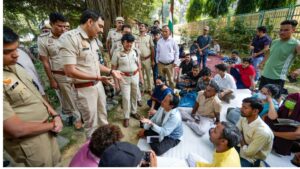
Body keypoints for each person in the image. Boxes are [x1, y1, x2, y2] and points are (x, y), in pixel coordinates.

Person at [3, 26, 62, 167]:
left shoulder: (15, 67)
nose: (16, 55)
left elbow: (36, 95)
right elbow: (16, 129)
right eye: (7, 52)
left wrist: (55, 115)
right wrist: (52, 124)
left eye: (16, 49)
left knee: (56, 163)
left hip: (47, 131)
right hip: (29, 143)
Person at [59, 10, 123, 137]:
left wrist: (110, 71)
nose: (101, 30)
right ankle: (93, 155)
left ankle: (107, 146)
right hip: (84, 90)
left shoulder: (93, 40)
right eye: (99, 26)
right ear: (89, 22)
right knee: (92, 126)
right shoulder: (69, 39)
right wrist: (98, 77)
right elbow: (70, 71)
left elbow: (94, 64)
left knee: (103, 119)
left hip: (98, 85)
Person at [38, 12, 82, 129]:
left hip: (76, 71)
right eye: (59, 26)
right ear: (51, 24)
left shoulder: (69, 36)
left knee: (80, 94)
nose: (63, 29)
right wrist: (52, 80)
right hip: (60, 75)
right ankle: (78, 118)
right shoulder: (43, 40)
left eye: (64, 26)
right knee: (69, 98)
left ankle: (84, 114)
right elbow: (45, 62)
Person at [259, 20, 300, 94]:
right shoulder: (275, 41)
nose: (282, 32)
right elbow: (269, 54)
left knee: (274, 100)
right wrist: (262, 63)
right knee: (261, 96)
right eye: (281, 30)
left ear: (293, 30)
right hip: (265, 73)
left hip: (278, 77)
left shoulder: (296, 44)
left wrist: (298, 70)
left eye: (286, 30)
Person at [112, 33, 143, 127]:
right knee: (126, 98)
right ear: (123, 42)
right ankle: (126, 117)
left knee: (134, 96)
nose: (129, 45)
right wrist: (116, 83)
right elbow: (113, 68)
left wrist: (141, 77)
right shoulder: (117, 52)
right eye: (127, 43)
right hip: (124, 78)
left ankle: (133, 112)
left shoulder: (135, 51)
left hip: (135, 76)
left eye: (131, 43)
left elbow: (139, 65)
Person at [236, 97, 274, 167]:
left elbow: (248, 153)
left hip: (252, 159)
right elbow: (236, 130)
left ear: (255, 111)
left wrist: (240, 135)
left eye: (245, 108)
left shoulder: (263, 132)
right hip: (240, 147)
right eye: (242, 106)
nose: (241, 109)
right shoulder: (244, 117)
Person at [136, 22, 155, 94]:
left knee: (148, 75)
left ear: (146, 29)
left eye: (142, 26)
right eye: (140, 26)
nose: (141, 27)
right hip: (139, 60)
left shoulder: (149, 37)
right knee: (141, 76)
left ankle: (150, 89)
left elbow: (152, 48)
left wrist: (152, 60)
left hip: (147, 59)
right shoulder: (136, 37)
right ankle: (142, 89)